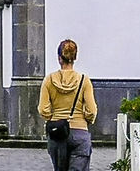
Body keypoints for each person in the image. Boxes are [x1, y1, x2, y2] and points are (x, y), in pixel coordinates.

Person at [39, 39, 97, 171]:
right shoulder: (84, 80)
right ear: (74, 57)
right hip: (80, 132)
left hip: (57, 133)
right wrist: (86, 119)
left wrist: (53, 117)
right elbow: (92, 110)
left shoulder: (49, 80)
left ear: (59, 58)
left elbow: (43, 109)